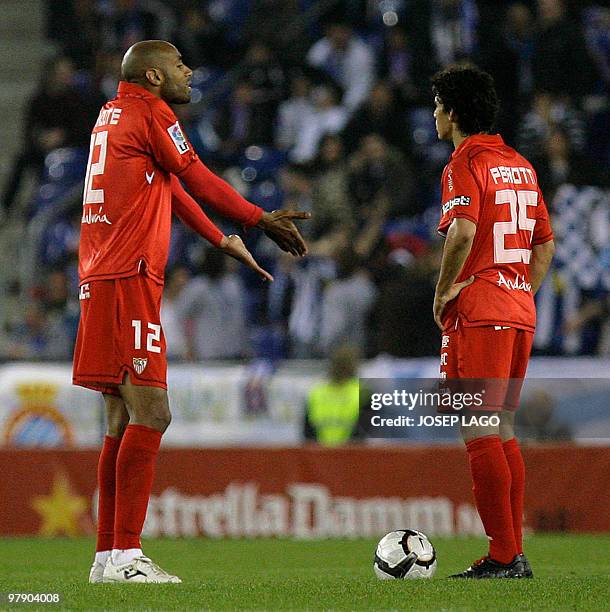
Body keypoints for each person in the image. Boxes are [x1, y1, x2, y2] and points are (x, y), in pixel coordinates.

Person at [74, 40, 310, 584]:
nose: (190, 72)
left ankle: (108, 557)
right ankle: (129, 556)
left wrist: (220, 238)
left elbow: (170, 187)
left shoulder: (111, 116)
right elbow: (197, 175)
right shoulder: (152, 111)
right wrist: (258, 218)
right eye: (180, 66)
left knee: (119, 417)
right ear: (155, 75)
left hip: (101, 277)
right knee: (153, 413)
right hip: (128, 277)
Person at [432, 65, 555, 578]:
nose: (434, 113)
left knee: (477, 427)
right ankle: (512, 552)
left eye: (438, 104)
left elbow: (461, 231)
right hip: (518, 313)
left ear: (454, 111)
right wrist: (519, 292)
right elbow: (544, 244)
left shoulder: (465, 162)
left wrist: (443, 294)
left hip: (481, 312)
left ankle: (504, 555)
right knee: (500, 426)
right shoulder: (521, 165)